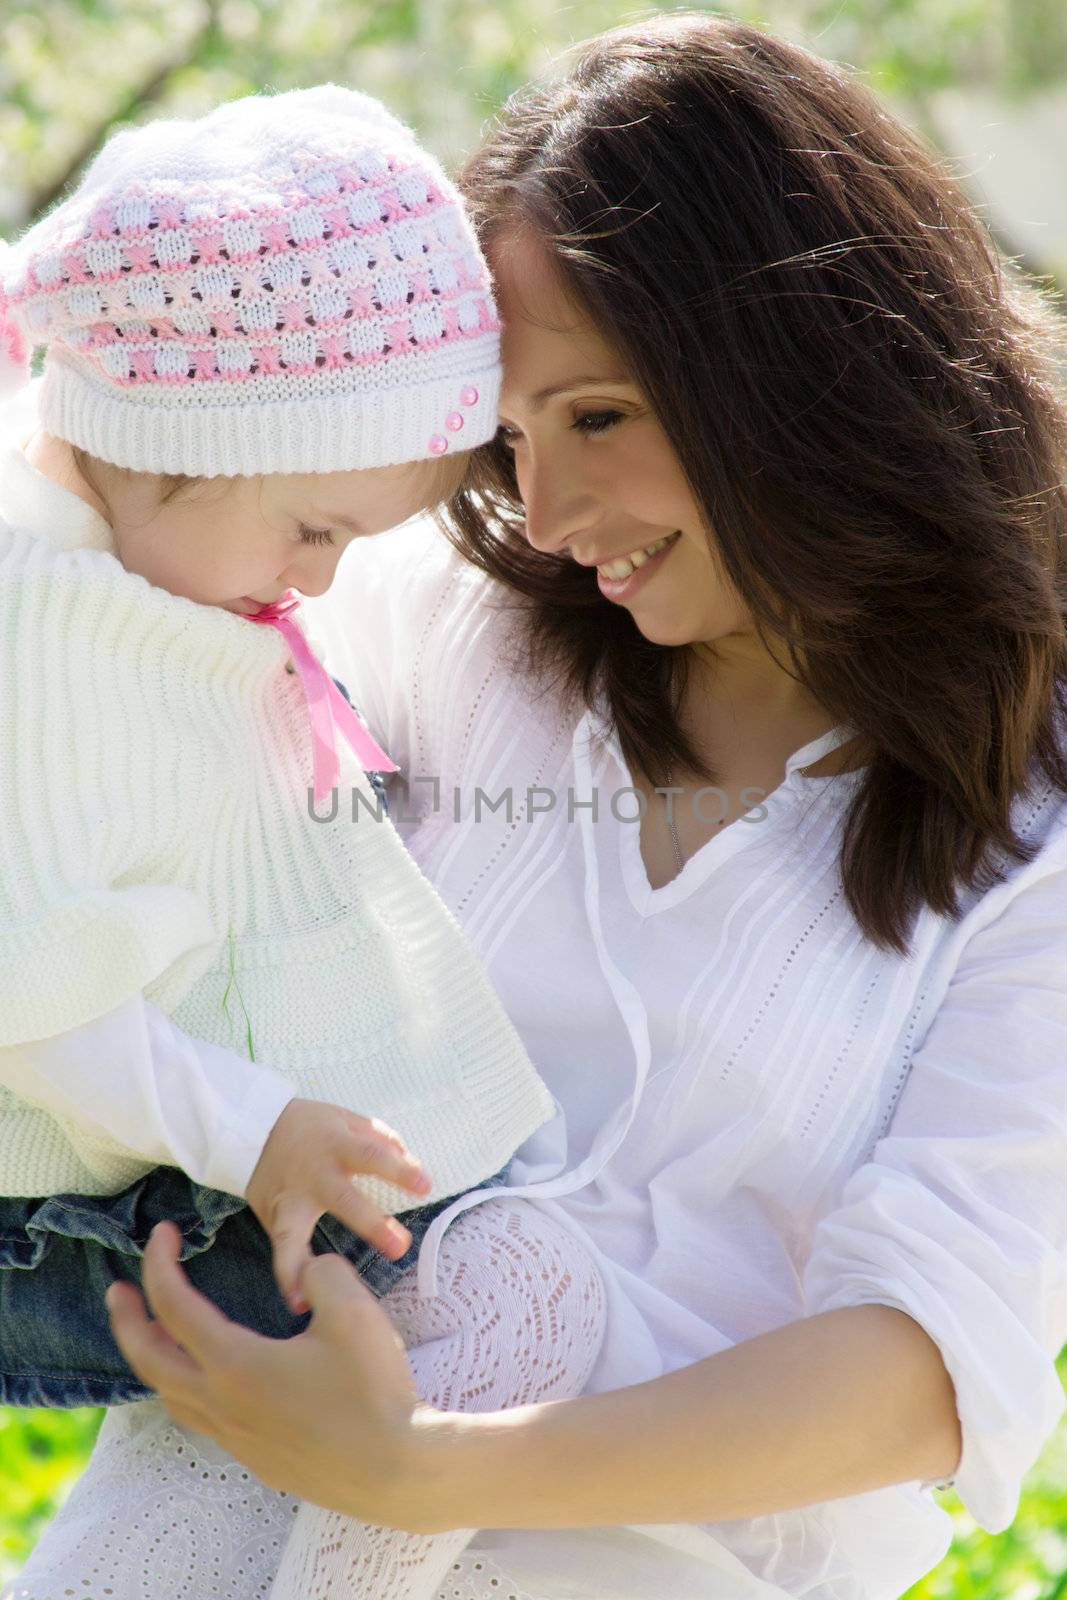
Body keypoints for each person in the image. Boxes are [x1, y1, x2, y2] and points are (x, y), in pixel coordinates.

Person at [24, 10, 1067, 1598]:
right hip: (208, 1504)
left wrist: (426, 1466)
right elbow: (87, 660)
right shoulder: (446, 623)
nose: (556, 514)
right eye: (512, 440)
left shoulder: (1035, 815)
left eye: (600, 417)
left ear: (795, 370)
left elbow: (928, 1363)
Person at [0, 84, 610, 1600]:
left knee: (501, 1280)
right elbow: (32, 989)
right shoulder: (54, 640)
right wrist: (253, 1128)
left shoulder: (162, 587)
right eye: (314, 529)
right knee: (505, 1289)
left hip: (152, 1178)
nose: (324, 580)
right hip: (70, 1227)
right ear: (157, 443)